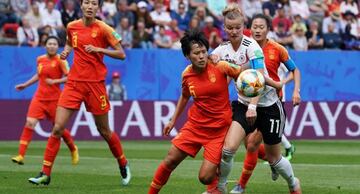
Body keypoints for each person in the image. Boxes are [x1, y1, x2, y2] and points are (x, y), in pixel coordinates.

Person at [28, 0, 131, 186]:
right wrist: (67, 51)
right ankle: (45, 173)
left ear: (98, 8)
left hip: (95, 85)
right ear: (81, 6)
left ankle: (123, 162)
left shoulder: (104, 28)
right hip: (74, 83)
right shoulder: (72, 26)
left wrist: (99, 49)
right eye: (87, 3)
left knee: (104, 131)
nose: (90, 6)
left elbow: (121, 53)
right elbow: (70, 42)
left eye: (94, 3)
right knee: (57, 127)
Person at [209, 4, 302, 194]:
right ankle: (220, 188)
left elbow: (258, 78)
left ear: (244, 28)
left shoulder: (252, 47)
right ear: (224, 28)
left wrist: (254, 106)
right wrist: (209, 60)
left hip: (268, 106)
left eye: (238, 28)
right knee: (228, 150)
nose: (234, 31)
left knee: (274, 157)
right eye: (230, 28)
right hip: (243, 105)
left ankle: (293, 183)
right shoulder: (222, 49)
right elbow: (210, 67)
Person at [149, 29, 242, 194]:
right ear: (187, 56)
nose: (201, 56)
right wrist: (172, 120)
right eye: (196, 53)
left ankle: (216, 182)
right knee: (170, 160)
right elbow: (184, 97)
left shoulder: (220, 66)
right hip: (195, 126)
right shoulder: (186, 75)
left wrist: (252, 98)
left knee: (205, 177)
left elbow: (242, 74)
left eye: (204, 52)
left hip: (218, 131)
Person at [11, 36, 79, 166]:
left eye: (55, 44)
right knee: (30, 123)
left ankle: (73, 148)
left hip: (55, 100)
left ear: (57, 47)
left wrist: (55, 81)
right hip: (39, 98)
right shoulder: (40, 59)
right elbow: (39, 75)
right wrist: (25, 85)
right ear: (45, 45)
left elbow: (70, 77)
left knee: (58, 128)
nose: (52, 46)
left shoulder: (61, 60)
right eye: (50, 43)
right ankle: (20, 155)